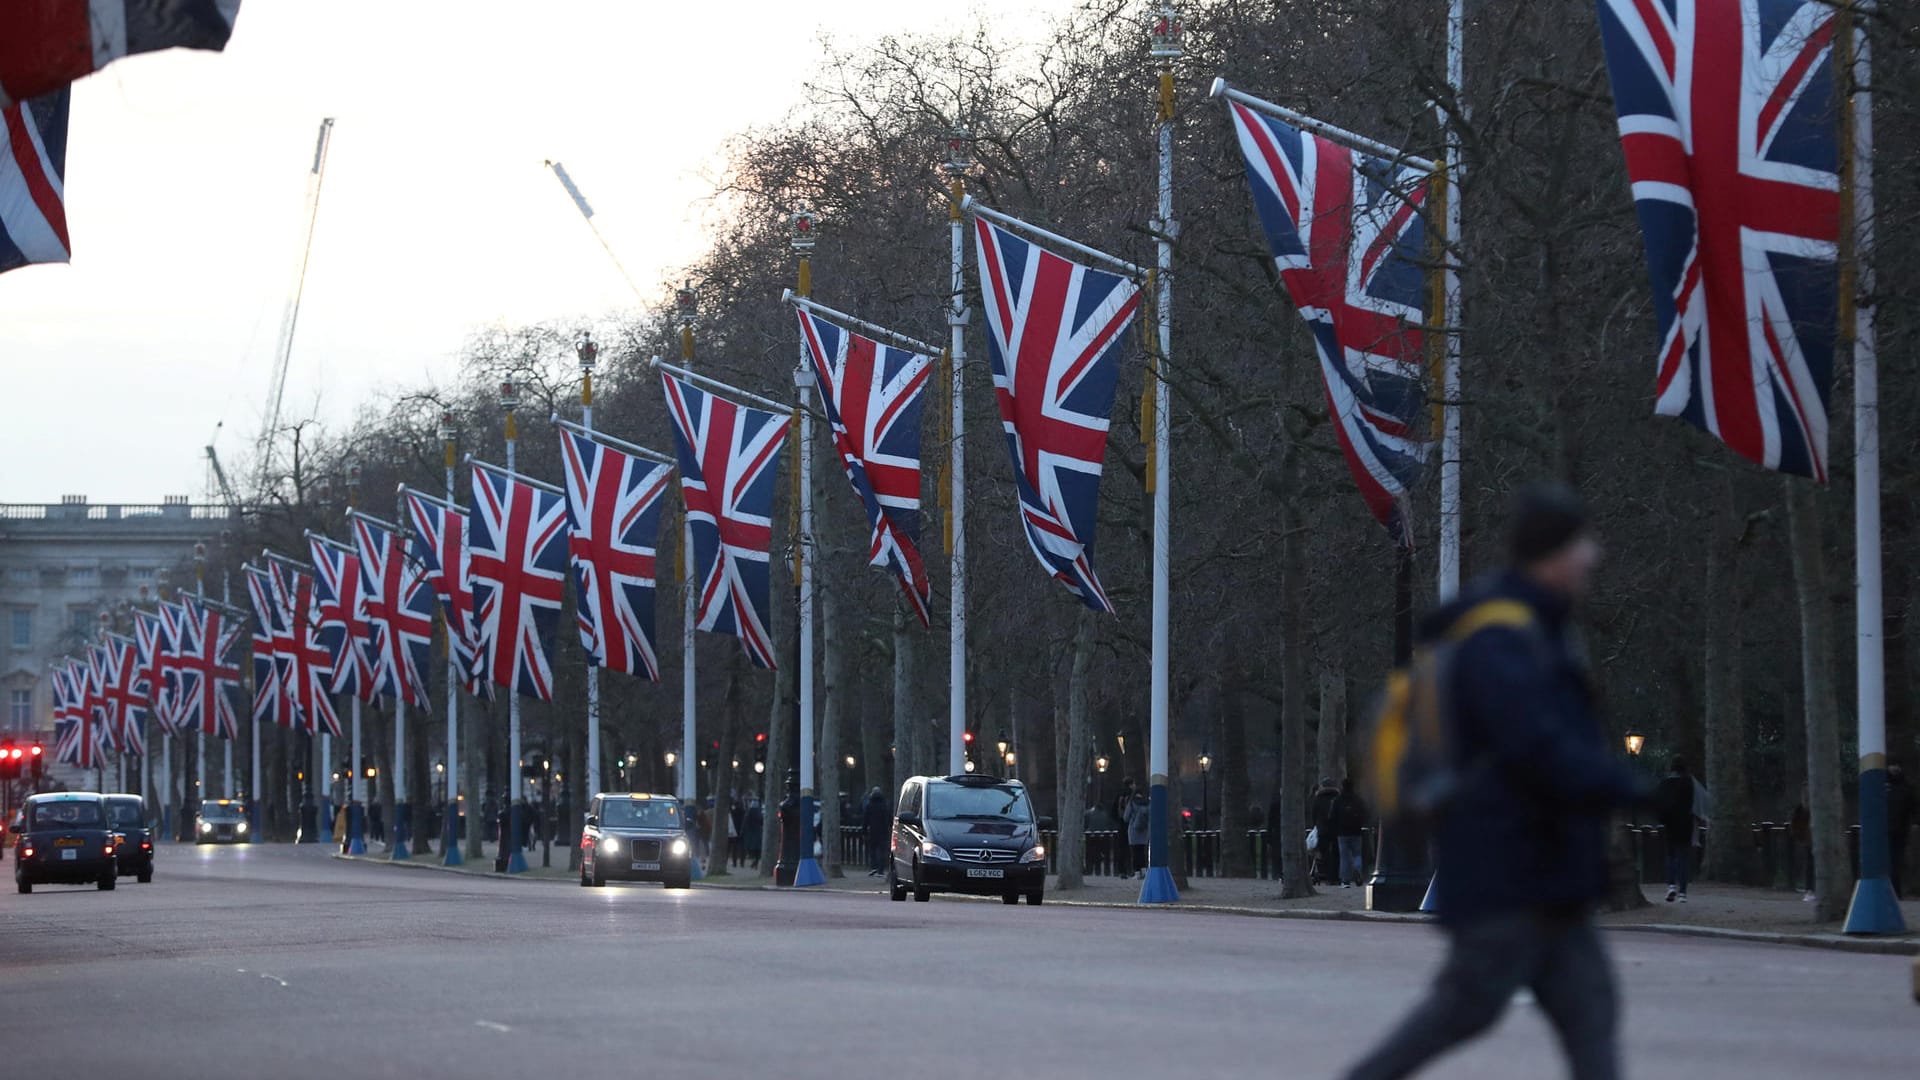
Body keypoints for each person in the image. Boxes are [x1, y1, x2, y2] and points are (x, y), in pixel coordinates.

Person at [1344, 482, 1648, 1080]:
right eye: (1581, 544)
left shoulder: (1532, 628)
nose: (1593, 556)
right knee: (1465, 1008)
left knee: (1591, 1015)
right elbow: (1534, 746)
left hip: (1546, 872)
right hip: (1506, 866)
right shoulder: (1501, 638)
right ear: (1552, 552)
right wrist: (1625, 785)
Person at [1653, 756, 1696, 903]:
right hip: (1685, 823)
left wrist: (1662, 820)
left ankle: (1671, 885)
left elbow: (1658, 803)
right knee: (1683, 857)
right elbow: (1692, 803)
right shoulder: (1689, 783)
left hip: (1669, 823)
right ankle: (1683, 892)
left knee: (1670, 855)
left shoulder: (1665, 783)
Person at [1332, 778, 1368, 888]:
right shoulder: (1358, 800)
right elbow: (1365, 813)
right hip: (1356, 831)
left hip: (1342, 832)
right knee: (1357, 854)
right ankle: (1358, 870)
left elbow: (1333, 815)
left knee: (1344, 857)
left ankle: (1345, 880)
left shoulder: (1338, 800)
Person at [1887, 762, 1913, 899]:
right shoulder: (1905, 788)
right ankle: (1896, 892)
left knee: (1894, 862)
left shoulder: (1888, 788)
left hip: (1896, 830)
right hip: (1897, 830)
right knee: (1895, 862)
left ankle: (1896, 891)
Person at [1310, 777, 1340, 885]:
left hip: (1323, 829)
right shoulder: (1337, 798)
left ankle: (1325, 874)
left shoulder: (1318, 799)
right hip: (1336, 829)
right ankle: (1335, 876)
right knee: (1336, 853)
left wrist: (1316, 825)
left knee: (1324, 852)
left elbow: (1313, 814)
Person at [861, 787, 890, 877]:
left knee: (872, 850)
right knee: (882, 851)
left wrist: (864, 831)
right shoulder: (884, 805)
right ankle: (881, 870)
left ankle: (873, 867)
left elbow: (865, 820)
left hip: (872, 831)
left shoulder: (869, 806)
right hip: (883, 831)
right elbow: (887, 818)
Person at [1124, 789, 1149, 880]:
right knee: (1142, 852)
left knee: (1135, 852)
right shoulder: (1148, 802)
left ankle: (1137, 873)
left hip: (1133, 830)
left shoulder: (1132, 803)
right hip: (1144, 830)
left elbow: (1126, 817)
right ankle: (1144, 871)